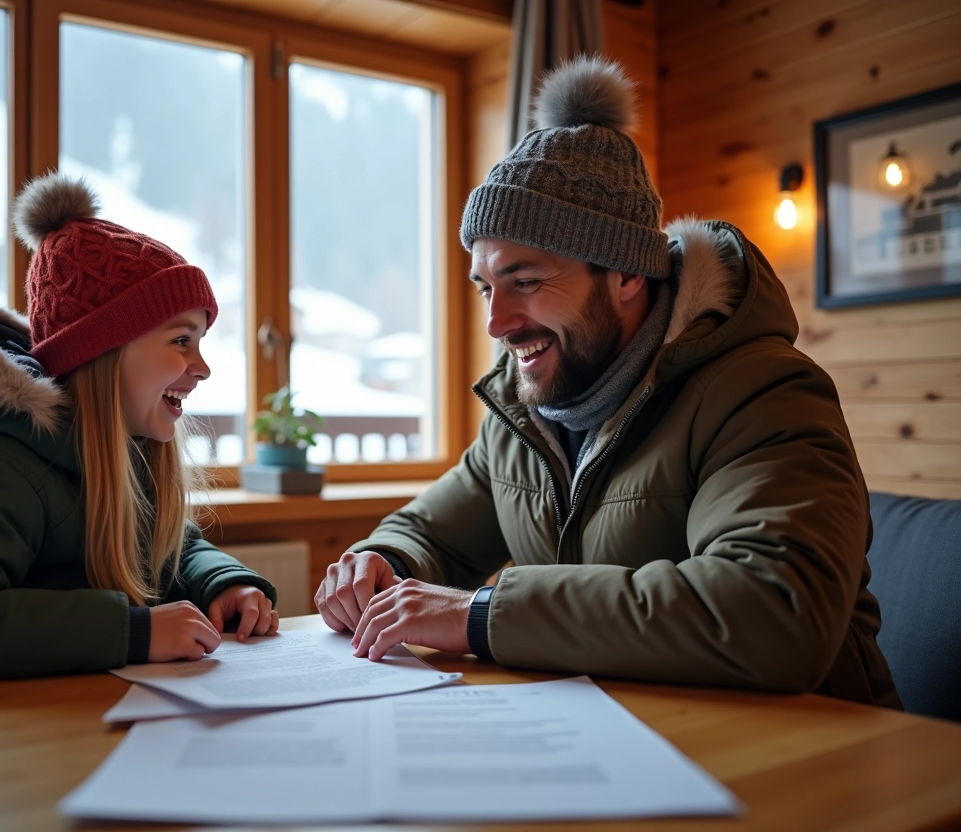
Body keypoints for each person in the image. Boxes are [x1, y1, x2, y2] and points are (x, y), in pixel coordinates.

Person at [315, 56, 899, 707]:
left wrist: (480, 615)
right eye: (486, 286)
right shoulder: (524, 410)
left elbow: (774, 613)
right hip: (624, 740)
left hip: (816, 761)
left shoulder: (764, 393)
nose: (497, 323)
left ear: (625, 274)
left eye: (527, 282)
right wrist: (380, 565)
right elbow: (432, 534)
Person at [0, 172, 278, 682]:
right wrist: (133, 633)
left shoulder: (121, 451)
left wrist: (221, 584)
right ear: (102, 351)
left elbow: (170, 545)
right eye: (181, 341)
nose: (202, 367)